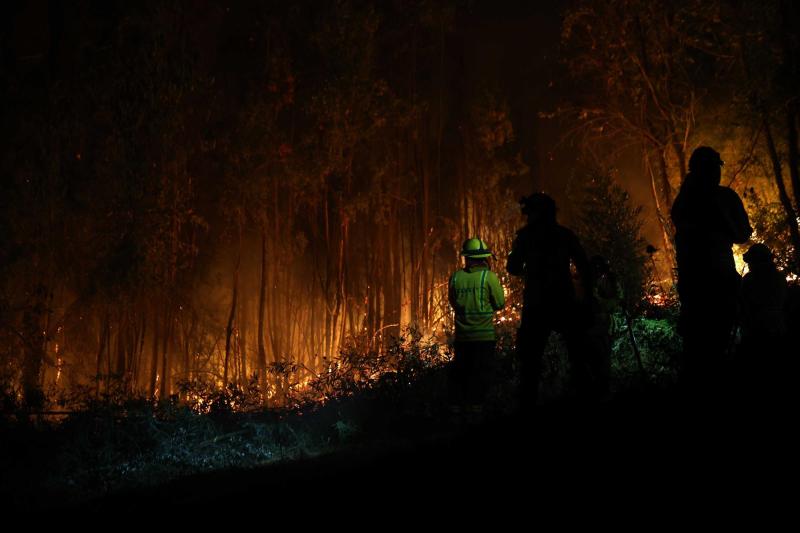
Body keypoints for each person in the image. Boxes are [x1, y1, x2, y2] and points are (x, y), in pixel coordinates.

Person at [670, 146, 752, 397]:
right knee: (705, 349)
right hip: (707, 285)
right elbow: (741, 235)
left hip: (708, 284)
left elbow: (742, 234)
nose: (715, 173)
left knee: (705, 349)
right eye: (712, 168)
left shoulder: (691, 201)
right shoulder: (694, 201)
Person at [507, 193, 594, 410]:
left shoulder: (526, 236)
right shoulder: (565, 235)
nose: (526, 217)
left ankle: (528, 406)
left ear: (534, 213)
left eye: (528, 212)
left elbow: (513, 268)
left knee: (530, 362)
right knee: (577, 355)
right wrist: (588, 298)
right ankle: (584, 399)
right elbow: (584, 266)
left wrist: (529, 264)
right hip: (564, 301)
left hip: (537, 305)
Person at [448, 238, 506, 417]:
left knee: (462, 376)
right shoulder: (489, 277)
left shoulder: (455, 277)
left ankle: (457, 415)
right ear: (485, 258)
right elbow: (500, 304)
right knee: (480, 376)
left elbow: (453, 303)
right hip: (483, 339)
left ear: (466, 258)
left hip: (463, 338)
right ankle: (476, 415)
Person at [739, 243, 788, 396]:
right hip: (777, 332)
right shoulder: (779, 278)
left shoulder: (748, 281)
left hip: (756, 335)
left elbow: (743, 308)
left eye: (751, 262)